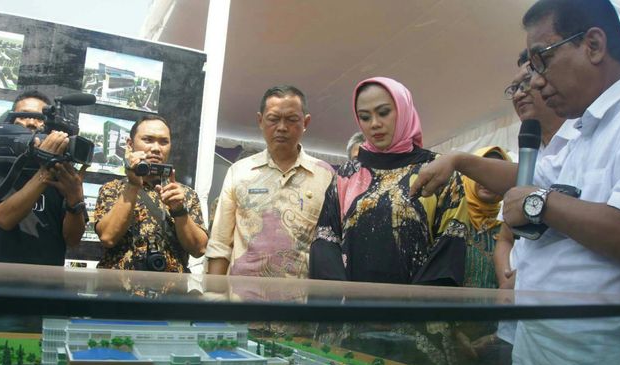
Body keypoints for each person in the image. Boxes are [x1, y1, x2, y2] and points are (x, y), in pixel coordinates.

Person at [411, 0, 620, 365]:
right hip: (553, 360)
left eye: (542, 60)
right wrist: (459, 160)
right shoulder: (584, 131)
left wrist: (537, 204)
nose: (538, 81)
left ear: (594, 45)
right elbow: (534, 183)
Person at [310, 77, 468, 284]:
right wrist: (342, 305)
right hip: (353, 309)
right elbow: (325, 242)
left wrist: (413, 309)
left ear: (404, 110)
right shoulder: (347, 175)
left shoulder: (436, 170)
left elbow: (449, 247)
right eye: (365, 117)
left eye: (384, 112)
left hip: (416, 311)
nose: (375, 124)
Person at [206, 85, 334, 278]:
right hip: (242, 299)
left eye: (292, 120)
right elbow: (220, 244)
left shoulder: (325, 176)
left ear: (305, 122)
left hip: (301, 301)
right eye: (273, 119)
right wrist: (213, 298)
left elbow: (332, 246)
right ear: (260, 120)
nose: (282, 127)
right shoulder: (239, 172)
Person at [493, 49, 575, 289]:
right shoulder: (525, 158)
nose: (519, 94)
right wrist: (505, 278)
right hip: (519, 305)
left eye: (527, 82)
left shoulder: (582, 139)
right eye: (514, 88)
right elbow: (506, 238)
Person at [0, 90, 87, 266]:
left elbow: (73, 239)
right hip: (3, 282)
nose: (30, 122)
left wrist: (75, 199)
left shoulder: (63, 170)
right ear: (11, 121)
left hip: (50, 284)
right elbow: (2, 220)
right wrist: (45, 173)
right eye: (24, 116)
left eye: (39, 117)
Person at [94, 115, 207, 271]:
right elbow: (107, 237)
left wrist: (179, 210)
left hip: (171, 291)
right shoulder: (112, 189)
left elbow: (199, 249)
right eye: (148, 140)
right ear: (130, 144)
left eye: (163, 142)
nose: (156, 148)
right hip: (118, 291)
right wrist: (133, 185)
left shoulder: (184, 194)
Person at [463, 146, 511, 289]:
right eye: (481, 173)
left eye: (497, 176)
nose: (487, 181)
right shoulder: (451, 222)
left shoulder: (509, 231)